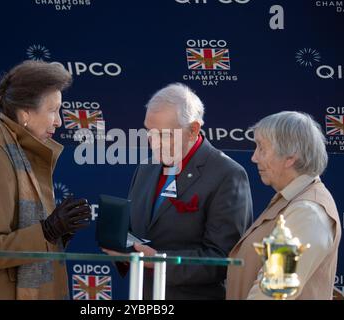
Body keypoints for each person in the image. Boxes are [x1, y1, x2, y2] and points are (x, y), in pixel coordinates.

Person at [0, 61, 91, 300]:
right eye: (53, 110)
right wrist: (48, 231)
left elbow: (25, 233)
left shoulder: (20, 154)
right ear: (26, 112)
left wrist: (58, 234)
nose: (59, 121)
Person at [103, 83, 253, 299]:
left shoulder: (228, 175)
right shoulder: (147, 167)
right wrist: (122, 246)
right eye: (149, 132)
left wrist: (158, 260)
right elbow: (139, 233)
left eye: (164, 135)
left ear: (193, 130)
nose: (154, 143)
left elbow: (223, 259)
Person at [226, 111, 342, 300]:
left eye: (262, 148)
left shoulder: (307, 212)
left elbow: (273, 292)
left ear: (290, 157)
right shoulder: (293, 200)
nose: (254, 157)